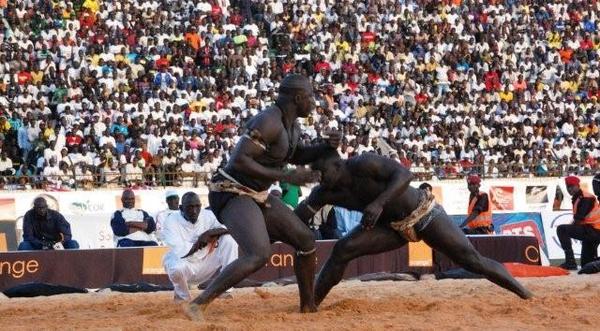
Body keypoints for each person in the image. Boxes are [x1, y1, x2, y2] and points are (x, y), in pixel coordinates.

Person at [184, 74, 341, 320]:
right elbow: (240, 160)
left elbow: (295, 154)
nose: (314, 102)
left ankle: (308, 306)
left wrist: (326, 146)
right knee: (258, 254)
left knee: (306, 241)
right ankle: (198, 303)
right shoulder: (268, 121)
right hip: (230, 191)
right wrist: (287, 176)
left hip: (256, 194)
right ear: (298, 98)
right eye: (311, 96)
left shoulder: (292, 125)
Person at [295, 151, 532, 306]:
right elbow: (299, 218)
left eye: (323, 173)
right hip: (391, 228)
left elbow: (405, 175)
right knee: (343, 249)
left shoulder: (363, 164)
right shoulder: (323, 192)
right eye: (317, 176)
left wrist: (379, 203)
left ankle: (523, 292)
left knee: (472, 261)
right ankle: (311, 303)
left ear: (338, 165)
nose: (321, 179)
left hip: (423, 213)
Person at [162, 192, 238, 302]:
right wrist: (201, 241)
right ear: (181, 208)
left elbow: (230, 227)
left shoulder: (208, 215)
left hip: (208, 261)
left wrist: (209, 233)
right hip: (186, 265)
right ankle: (182, 297)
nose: (194, 211)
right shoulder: (171, 221)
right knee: (175, 267)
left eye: (197, 206)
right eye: (190, 207)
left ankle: (225, 290)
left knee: (229, 240)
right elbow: (181, 251)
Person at [557, 176, 600, 270]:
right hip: (592, 231)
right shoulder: (579, 197)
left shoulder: (585, 198)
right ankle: (595, 260)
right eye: (568, 187)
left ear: (578, 186)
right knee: (587, 264)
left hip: (594, 230)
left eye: (572, 186)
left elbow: (579, 219)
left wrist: (570, 230)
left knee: (561, 229)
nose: (570, 189)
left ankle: (570, 262)